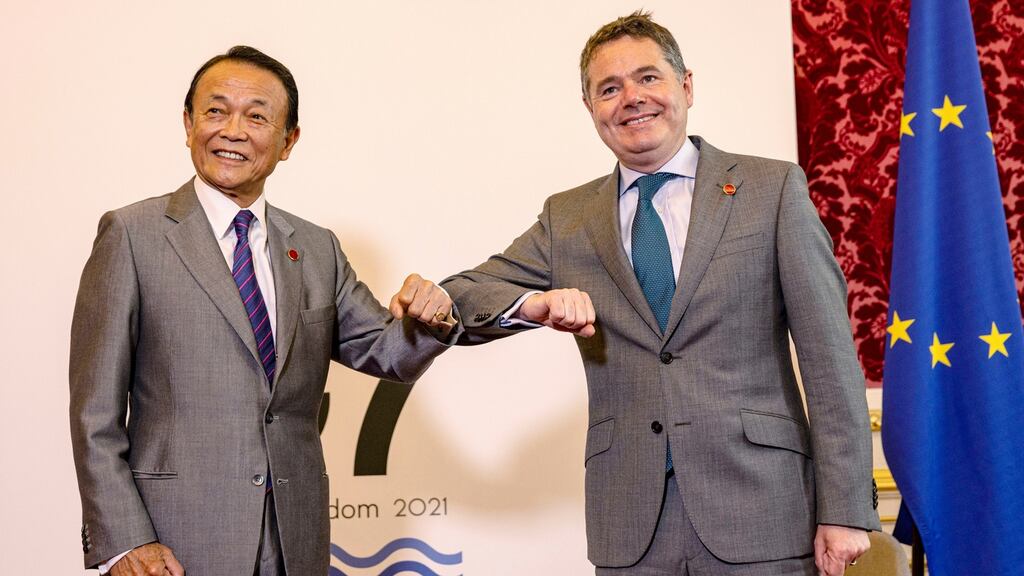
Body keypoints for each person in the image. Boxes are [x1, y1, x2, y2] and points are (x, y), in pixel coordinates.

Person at [442, 12, 878, 576]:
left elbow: (829, 358)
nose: (632, 98)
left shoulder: (771, 190)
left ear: (686, 86)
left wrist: (844, 509)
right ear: (590, 108)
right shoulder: (567, 217)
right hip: (631, 528)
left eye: (648, 77)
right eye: (609, 88)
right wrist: (532, 305)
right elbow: (461, 297)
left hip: (763, 512)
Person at [69, 46, 459, 576]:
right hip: (172, 542)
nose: (232, 130)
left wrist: (432, 316)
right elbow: (95, 412)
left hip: (294, 540)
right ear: (188, 124)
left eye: (256, 116)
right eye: (215, 110)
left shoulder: (317, 248)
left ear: (288, 141)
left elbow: (387, 352)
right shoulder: (132, 235)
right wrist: (125, 541)